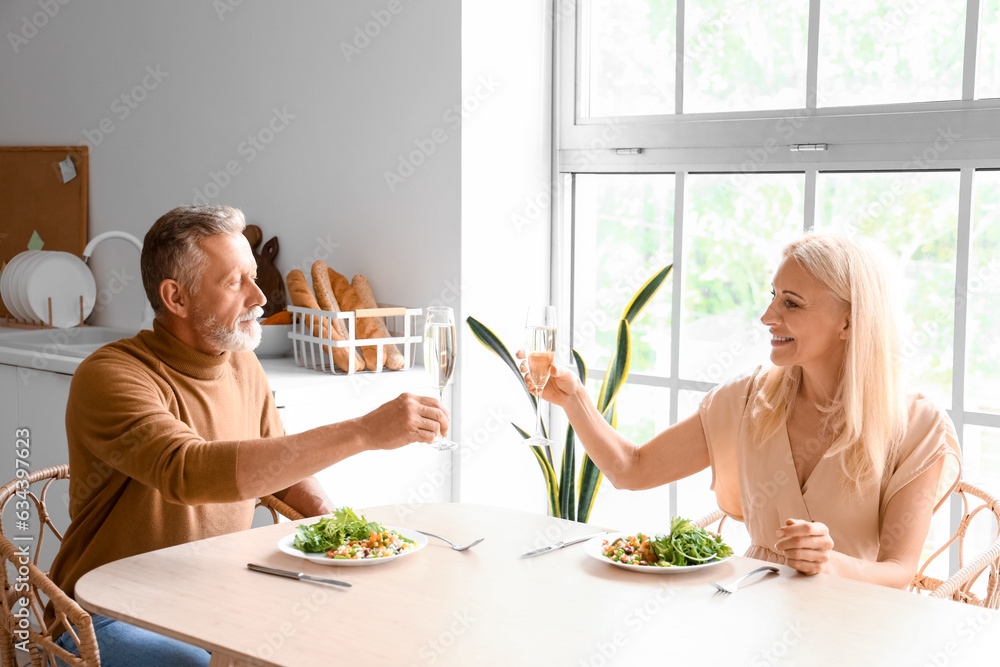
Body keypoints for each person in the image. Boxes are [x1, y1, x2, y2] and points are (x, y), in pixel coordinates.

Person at [48, 205, 448, 666]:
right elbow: (188, 472)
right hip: (104, 616)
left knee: (353, 638)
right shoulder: (111, 375)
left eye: (254, 276)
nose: (260, 296)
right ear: (175, 298)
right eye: (235, 281)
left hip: (214, 601)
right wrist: (363, 431)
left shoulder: (241, 363)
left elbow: (280, 473)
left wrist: (347, 538)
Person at [523, 233, 960, 588]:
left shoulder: (918, 427)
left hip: (852, 624)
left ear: (849, 321)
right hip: (749, 611)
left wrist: (831, 563)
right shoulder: (748, 401)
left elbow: (899, 571)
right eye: (773, 296)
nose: (768, 315)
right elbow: (631, 469)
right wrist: (574, 399)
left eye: (791, 302)